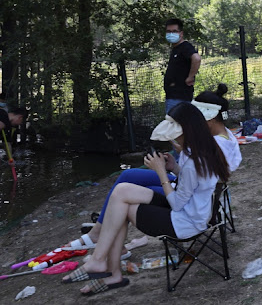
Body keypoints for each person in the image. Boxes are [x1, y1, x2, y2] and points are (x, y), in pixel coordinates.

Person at [62, 102, 229, 295]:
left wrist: (161, 173)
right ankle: (103, 264)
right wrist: (174, 168)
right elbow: (195, 183)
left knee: (121, 208)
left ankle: (106, 266)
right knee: (122, 191)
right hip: (192, 210)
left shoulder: (194, 160)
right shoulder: (203, 150)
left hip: (185, 222)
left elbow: (176, 204)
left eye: (175, 134)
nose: (173, 139)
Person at [64, 85, 240, 252]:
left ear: (208, 119)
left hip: (190, 200)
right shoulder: (219, 136)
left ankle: (102, 234)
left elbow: (195, 181)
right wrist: (176, 164)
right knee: (129, 177)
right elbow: (201, 176)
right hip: (192, 190)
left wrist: (166, 168)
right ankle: (103, 232)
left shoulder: (212, 145)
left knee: (132, 189)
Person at [164, 18, 201, 115]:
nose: (171, 34)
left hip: (179, 97)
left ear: (181, 33)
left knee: (174, 127)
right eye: (168, 31)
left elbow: (196, 59)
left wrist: (190, 77)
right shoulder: (176, 49)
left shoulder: (185, 47)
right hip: (172, 96)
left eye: (174, 31)